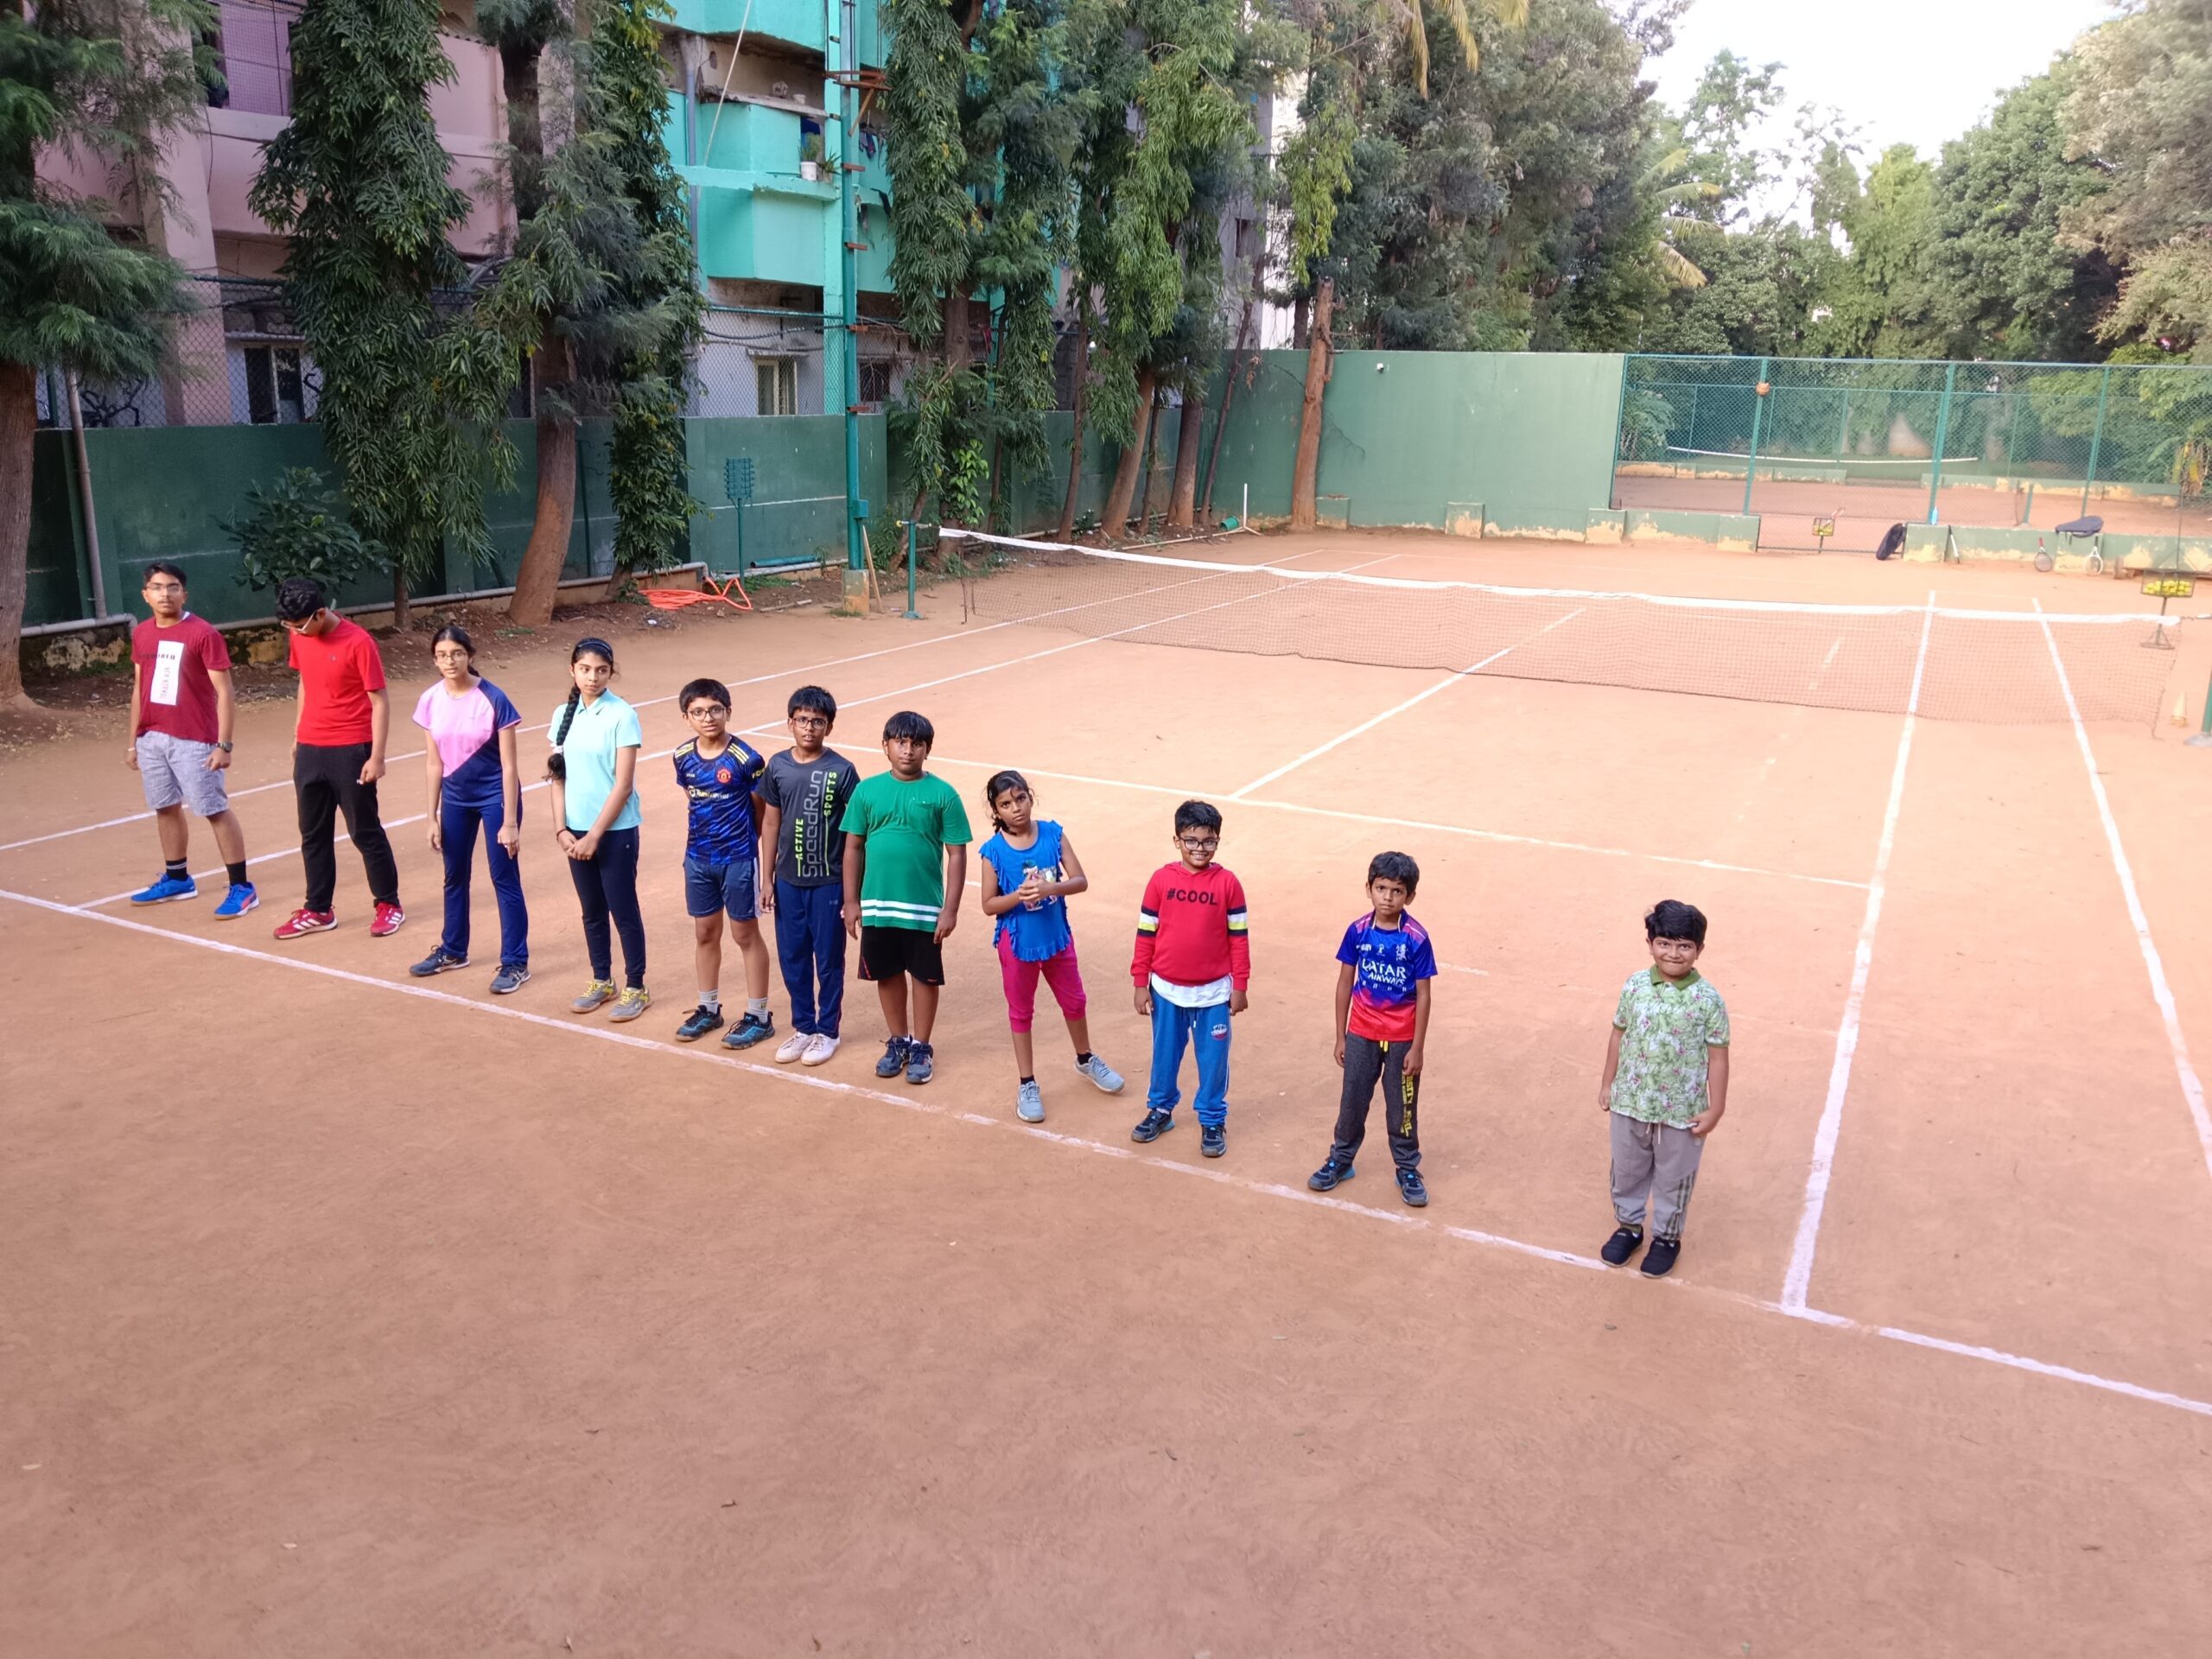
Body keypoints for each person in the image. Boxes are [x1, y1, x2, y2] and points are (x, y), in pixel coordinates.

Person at [975, 770, 1124, 1122]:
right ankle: (1027, 1083)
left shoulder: (1053, 835)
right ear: (996, 811)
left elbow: (1080, 880)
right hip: (1018, 944)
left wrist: (1050, 889)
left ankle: (1085, 1059)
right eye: (1006, 804)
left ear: (1030, 797)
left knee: (1075, 1001)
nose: (1016, 808)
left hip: (1057, 938)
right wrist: (1019, 895)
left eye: (1020, 798)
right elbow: (988, 905)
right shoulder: (992, 852)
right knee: (1021, 1012)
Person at [1598, 899, 1732, 1279]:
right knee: (1627, 1168)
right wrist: (1608, 1084)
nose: (1673, 953)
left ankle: (1667, 1238)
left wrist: (1716, 1108)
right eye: (1664, 943)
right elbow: (1618, 1035)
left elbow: (1718, 1057)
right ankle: (1629, 1226)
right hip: (1630, 1100)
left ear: (1699, 949)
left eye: (1684, 946)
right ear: (1650, 944)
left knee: (1675, 1177)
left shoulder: (1709, 1000)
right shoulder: (1635, 986)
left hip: (1682, 1109)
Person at [840, 710, 970, 1085]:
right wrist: (852, 901)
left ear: (928, 749)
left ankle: (922, 1045)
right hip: (878, 905)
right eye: (901, 742)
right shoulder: (867, 791)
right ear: (886, 746)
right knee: (887, 973)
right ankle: (898, 1040)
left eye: (917, 744)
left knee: (925, 976)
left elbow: (957, 854)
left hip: (924, 908)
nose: (908, 750)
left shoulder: (943, 794)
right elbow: (853, 848)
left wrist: (950, 910)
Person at [124, 562, 257, 918]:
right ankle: (178, 878)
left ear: (184, 593)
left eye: (172, 587)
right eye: (156, 588)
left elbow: (224, 692)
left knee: (213, 809)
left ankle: (242, 887)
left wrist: (224, 744)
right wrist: (134, 741)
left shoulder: (203, 634)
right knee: (165, 807)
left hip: (196, 739)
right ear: (145, 595)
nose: (165, 594)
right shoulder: (142, 634)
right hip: (152, 737)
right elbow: (139, 688)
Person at [272, 576, 403, 939]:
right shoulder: (300, 634)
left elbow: (379, 700)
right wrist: (299, 733)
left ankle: (389, 904)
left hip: (351, 748)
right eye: (288, 626)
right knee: (312, 834)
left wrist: (377, 757)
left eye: (300, 626)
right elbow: (305, 681)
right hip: (310, 747)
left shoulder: (359, 641)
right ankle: (318, 909)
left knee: (364, 831)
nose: (295, 632)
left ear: (320, 613)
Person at [1307, 852, 1436, 1207]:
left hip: (1401, 1038)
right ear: (1369, 888)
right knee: (1352, 1100)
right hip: (1361, 1033)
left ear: (1409, 896)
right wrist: (1341, 1035)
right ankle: (1341, 1159)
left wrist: (1418, 1047)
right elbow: (1344, 983)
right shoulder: (1358, 931)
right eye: (1381, 888)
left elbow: (1424, 995)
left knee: (1402, 1108)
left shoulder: (1416, 938)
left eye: (1397, 891)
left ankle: (1407, 1168)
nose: (1388, 897)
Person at [406, 625, 529, 993]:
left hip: (495, 796)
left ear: (470, 656)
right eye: (442, 656)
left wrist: (509, 821)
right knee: (454, 874)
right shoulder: (430, 700)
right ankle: (453, 949)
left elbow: (509, 765)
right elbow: (434, 763)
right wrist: (431, 816)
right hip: (455, 798)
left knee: (503, 877)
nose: (449, 661)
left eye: (457, 654)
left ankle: (515, 962)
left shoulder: (494, 698)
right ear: (434, 659)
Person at [1129, 800, 1251, 1158]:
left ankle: (1212, 1118)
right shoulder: (1161, 881)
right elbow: (1146, 933)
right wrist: (1140, 982)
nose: (1200, 848)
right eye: (1191, 840)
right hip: (1166, 991)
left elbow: (1239, 938)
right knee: (1164, 1055)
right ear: (1177, 840)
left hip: (1214, 994)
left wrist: (1240, 986)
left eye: (1208, 841)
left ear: (1218, 841)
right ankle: (1161, 1109)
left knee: (1213, 1060)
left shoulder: (1228, 884)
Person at [547, 637, 650, 1021]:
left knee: (622, 909)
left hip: (615, 832)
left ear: (611, 673)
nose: (592, 677)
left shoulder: (622, 715)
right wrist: (561, 829)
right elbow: (557, 777)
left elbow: (623, 786)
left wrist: (594, 836)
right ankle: (602, 980)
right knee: (591, 910)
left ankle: (636, 986)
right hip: (575, 831)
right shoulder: (562, 715)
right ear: (572, 670)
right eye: (585, 670)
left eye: (601, 670)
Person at [756, 685, 858, 1066]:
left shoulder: (842, 770)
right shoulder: (778, 766)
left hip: (828, 882)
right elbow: (770, 822)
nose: (809, 728)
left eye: (817, 721)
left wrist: (853, 892)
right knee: (793, 957)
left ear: (829, 727)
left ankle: (827, 1031)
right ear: (790, 723)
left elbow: (856, 832)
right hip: (788, 881)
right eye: (802, 720)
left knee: (828, 959)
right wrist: (767, 878)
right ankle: (803, 1027)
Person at [671, 677, 773, 1049]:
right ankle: (708, 1008)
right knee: (705, 933)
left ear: (728, 711)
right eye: (698, 712)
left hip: (737, 860)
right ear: (686, 718)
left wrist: (745, 845)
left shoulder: (747, 760)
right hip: (698, 859)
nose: (708, 717)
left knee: (745, 935)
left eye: (715, 710)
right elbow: (693, 798)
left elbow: (760, 810)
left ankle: (759, 1015)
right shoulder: (682, 756)